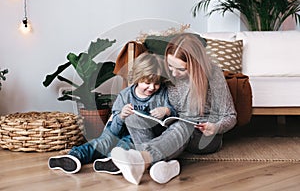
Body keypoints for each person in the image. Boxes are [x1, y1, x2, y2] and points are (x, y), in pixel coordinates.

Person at [110, 33, 237, 185]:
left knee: (184, 125)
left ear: (196, 65)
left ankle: (141, 159)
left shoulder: (213, 75)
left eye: (181, 69)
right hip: (170, 129)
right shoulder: (167, 72)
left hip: (204, 137)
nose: (174, 73)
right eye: (170, 66)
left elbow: (230, 115)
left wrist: (216, 127)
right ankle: (162, 167)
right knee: (133, 116)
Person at [48, 52, 175, 175]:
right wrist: (121, 116)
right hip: (117, 130)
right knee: (102, 143)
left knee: (127, 144)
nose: (152, 87)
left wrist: (166, 110)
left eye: (156, 83)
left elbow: (173, 115)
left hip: (138, 135)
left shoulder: (162, 94)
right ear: (137, 78)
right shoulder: (125, 95)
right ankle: (73, 157)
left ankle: (112, 161)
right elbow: (113, 128)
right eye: (147, 83)